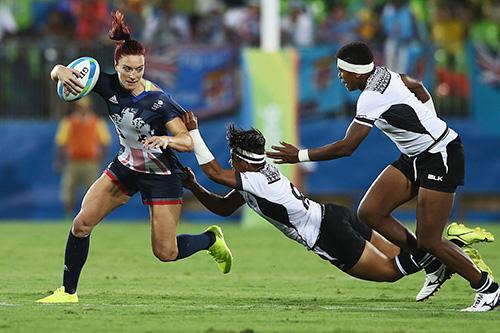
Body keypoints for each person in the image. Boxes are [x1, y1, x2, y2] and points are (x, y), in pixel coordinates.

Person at [266, 41, 499, 312]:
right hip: (415, 156)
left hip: (440, 155)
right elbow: (417, 86)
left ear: (356, 73)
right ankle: (431, 262)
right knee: (370, 211)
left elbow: (348, 146)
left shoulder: (370, 98)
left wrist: (301, 155)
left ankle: (488, 289)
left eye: (342, 72)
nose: (340, 76)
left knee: (431, 239)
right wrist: (429, 118)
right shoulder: (385, 74)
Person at [37, 11, 232, 304]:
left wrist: (168, 138)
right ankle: (68, 292)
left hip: (162, 174)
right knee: (81, 224)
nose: (133, 75)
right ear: (116, 65)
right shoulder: (107, 84)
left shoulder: (158, 101)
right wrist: (60, 70)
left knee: (165, 253)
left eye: (139, 69)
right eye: (127, 69)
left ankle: (210, 240)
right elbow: (61, 73)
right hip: (126, 166)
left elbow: (187, 140)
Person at [180, 112, 494, 294]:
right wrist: (194, 186)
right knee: (410, 254)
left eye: (233, 156)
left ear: (240, 160)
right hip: (332, 214)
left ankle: (449, 242)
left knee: (392, 271)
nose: (230, 160)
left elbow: (214, 171)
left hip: (326, 233)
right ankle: (443, 247)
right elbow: (223, 207)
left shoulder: (255, 180)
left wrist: (194, 132)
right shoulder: (258, 175)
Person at [54, 97, 111, 216]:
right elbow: (60, 142)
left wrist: (101, 158)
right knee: (68, 189)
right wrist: (59, 161)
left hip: (91, 161)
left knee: (92, 189)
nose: (83, 109)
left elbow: (105, 141)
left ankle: (90, 215)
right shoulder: (69, 121)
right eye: (80, 107)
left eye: (85, 106)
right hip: (73, 161)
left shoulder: (97, 122)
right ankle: (68, 214)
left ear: (89, 107)